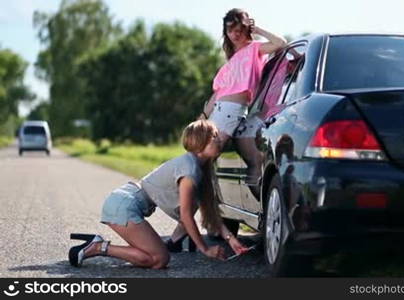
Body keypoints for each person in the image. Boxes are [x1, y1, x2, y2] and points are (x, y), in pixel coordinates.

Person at [68, 120, 248, 269]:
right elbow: (186, 215)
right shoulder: (189, 170)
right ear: (200, 142)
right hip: (123, 205)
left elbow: (209, 211)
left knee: (156, 256)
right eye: (214, 136)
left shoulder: (197, 168)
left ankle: (101, 245)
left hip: (125, 201)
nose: (219, 139)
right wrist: (204, 249)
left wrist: (231, 240)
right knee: (159, 259)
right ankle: (98, 247)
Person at [201, 8, 287, 149]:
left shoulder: (254, 49)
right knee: (203, 151)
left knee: (208, 151)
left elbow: (281, 43)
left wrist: (257, 30)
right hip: (219, 110)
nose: (234, 35)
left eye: (238, 30)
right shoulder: (232, 60)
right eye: (230, 31)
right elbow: (218, 93)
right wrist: (204, 116)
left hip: (232, 110)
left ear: (246, 29)